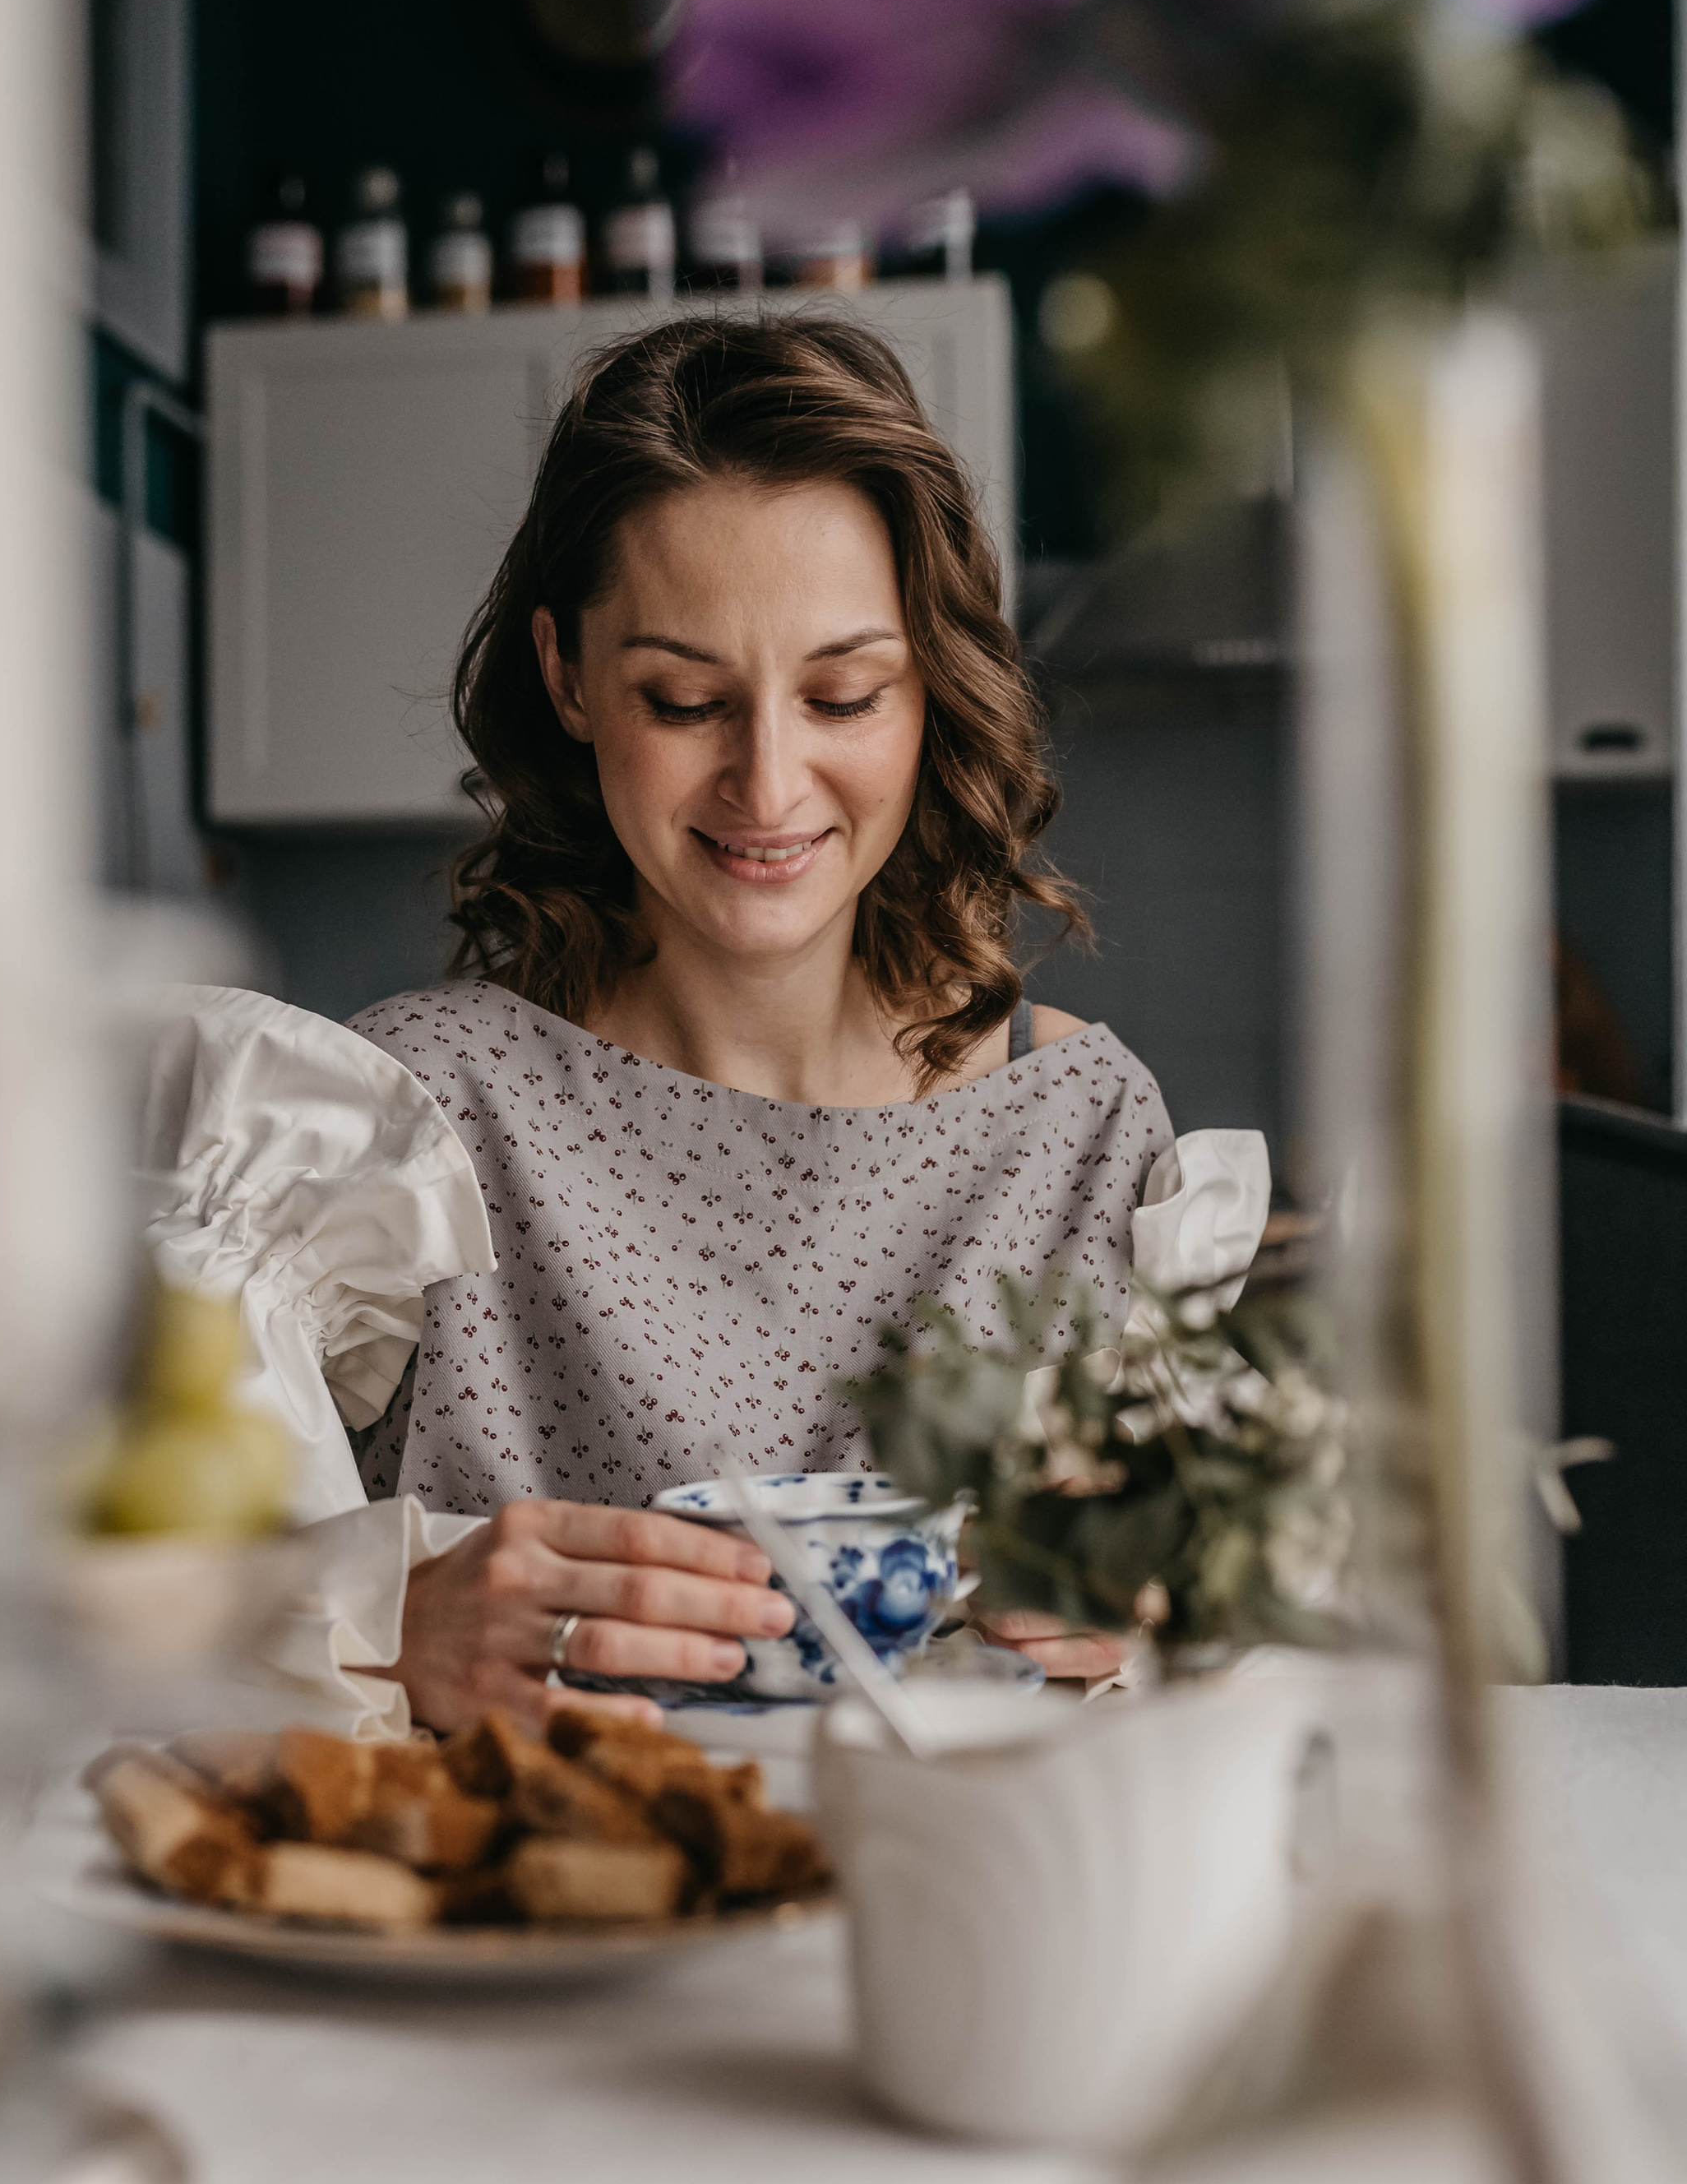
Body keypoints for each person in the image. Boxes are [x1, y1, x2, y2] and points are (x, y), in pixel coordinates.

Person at [146, 315, 1267, 1734]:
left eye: (844, 695)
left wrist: (1142, 1612)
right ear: (568, 677)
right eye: (684, 701)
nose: (769, 782)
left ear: (929, 686)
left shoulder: (1085, 1129)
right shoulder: (394, 1121)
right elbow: (149, 1615)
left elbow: (1180, 1670)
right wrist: (391, 1621)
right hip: (538, 1872)